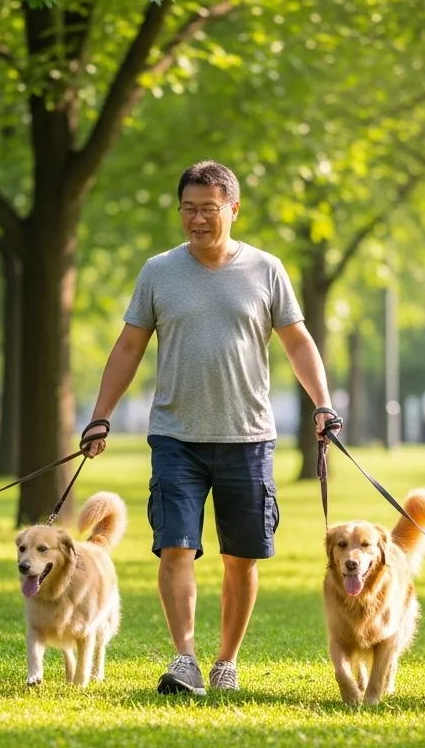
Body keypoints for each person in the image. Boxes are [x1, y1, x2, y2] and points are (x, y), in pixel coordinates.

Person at [80, 160, 339, 696]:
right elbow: (129, 346)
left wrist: (322, 403)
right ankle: (186, 660)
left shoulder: (266, 270)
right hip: (175, 436)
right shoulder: (158, 271)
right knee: (175, 547)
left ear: (233, 209)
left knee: (240, 559)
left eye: (209, 209)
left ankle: (225, 663)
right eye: (188, 209)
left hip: (247, 436)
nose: (197, 220)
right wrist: (100, 414)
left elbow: (296, 342)